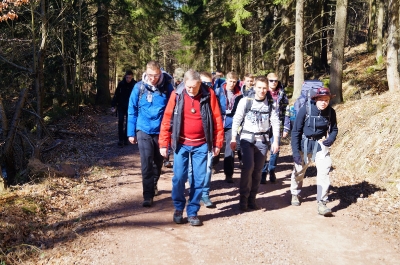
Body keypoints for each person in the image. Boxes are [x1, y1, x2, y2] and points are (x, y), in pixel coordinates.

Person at [159, 69, 224, 226]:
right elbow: (167, 119)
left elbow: (217, 119)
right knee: (179, 177)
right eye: (188, 87)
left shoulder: (209, 95)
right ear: (183, 83)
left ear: (200, 83)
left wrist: (217, 143)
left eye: (194, 87)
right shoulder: (177, 94)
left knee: (198, 179)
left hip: (201, 145)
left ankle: (193, 211)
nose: (191, 90)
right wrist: (163, 143)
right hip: (181, 144)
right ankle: (178, 208)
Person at [127, 61, 174, 207]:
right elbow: (132, 110)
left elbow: (173, 110)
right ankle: (147, 195)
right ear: (146, 73)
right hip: (143, 129)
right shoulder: (139, 87)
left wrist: (171, 132)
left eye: (155, 75)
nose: (153, 78)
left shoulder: (167, 87)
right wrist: (131, 132)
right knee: (146, 161)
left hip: (161, 131)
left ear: (160, 73)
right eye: (150, 75)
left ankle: (154, 183)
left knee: (158, 161)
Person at [230, 76, 280, 211]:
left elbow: (275, 122)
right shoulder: (245, 101)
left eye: (264, 88)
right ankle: (243, 200)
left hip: (263, 141)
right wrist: (233, 137)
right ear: (254, 87)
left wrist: (275, 140)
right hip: (247, 139)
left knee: (258, 171)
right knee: (248, 168)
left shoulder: (271, 103)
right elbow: (237, 119)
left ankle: (252, 199)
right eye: (259, 87)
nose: (262, 90)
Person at [290, 87, 338, 216]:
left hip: (320, 145)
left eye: (326, 100)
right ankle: (295, 193)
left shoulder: (331, 112)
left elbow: (334, 129)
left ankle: (322, 203)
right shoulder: (305, 110)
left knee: (324, 171)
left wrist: (331, 139)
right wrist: (295, 153)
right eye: (321, 99)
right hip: (304, 145)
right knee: (299, 171)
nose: (324, 102)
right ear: (315, 99)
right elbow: (295, 132)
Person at [260, 73, 290, 184]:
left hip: (276, 125)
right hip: (263, 125)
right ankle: (263, 172)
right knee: (263, 150)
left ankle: (271, 170)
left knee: (275, 151)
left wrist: (286, 126)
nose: (274, 82)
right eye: (271, 80)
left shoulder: (282, 93)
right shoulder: (262, 92)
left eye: (276, 81)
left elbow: (286, 110)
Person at [214, 71, 243, 183]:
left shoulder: (239, 94)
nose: (232, 83)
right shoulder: (218, 91)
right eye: (230, 81)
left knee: (231, 147)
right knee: (217, 145)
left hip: (232, 123)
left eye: (234, 82)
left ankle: (229, 174)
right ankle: (213, 164)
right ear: (226, 80)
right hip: (219, 121)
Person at [111, 70, 136, 147]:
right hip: (121, 106)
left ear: (132, 77)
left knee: (129, 122)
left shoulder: (134, 84)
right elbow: (116, 94)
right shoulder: (121, 84)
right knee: (120, 121)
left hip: (130, 107)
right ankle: (120, 140)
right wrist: (113, 105)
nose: (128, 79)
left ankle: (126, 139)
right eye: (127, 77)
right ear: (125, 76)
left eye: (130, 78)